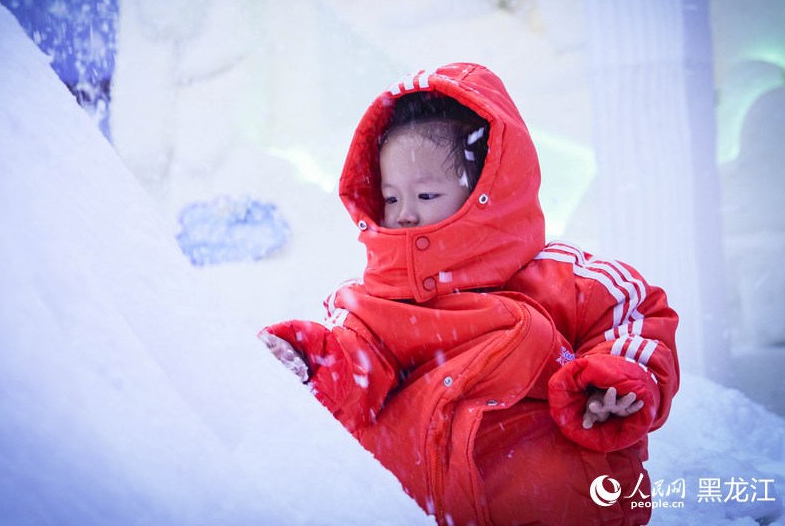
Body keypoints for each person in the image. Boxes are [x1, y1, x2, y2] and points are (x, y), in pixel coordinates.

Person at [259, 63, 679, 526]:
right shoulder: (376, 300)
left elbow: (636, 318)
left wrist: (615, 378)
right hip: (426, 507)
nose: (404, 215)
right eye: (392, 197)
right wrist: (314, 359)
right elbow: (355, 359)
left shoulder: (566, 279)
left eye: (426, 196)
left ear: (485, 191)